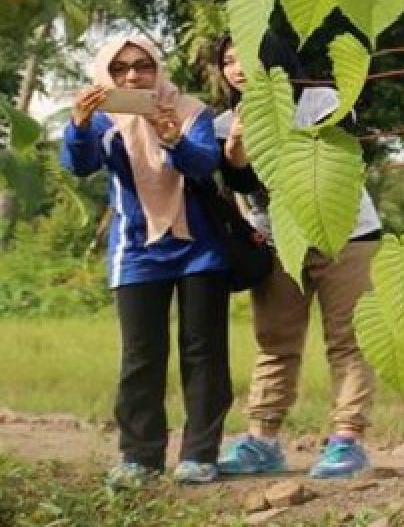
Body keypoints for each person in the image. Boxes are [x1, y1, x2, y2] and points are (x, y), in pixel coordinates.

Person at [62, 36, 231, 487]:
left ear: (158, 69)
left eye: (142, 66)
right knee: (141, 355)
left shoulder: (191, 110)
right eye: (119, 69)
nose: (133, 76)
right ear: (105, 74)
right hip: (136, 250)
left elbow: (203, 165)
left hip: (199, 248)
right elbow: (78, 166)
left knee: (204, 353)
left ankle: (200, 453)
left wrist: (173, 138)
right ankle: (140, 457)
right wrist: (78, 126)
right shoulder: (98, 119)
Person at [213, 33, 383, 480]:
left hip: (346, 235)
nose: (236, 68)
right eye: (227, 61)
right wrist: (235, 150)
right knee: (275, 341)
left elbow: (334, 162)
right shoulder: (224, 123)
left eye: (245, 56)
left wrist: (275, 129)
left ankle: (347, 439)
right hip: (277, 242)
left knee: (348, 341)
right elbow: (245, 188)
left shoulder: (321, 100)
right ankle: (262, 440)